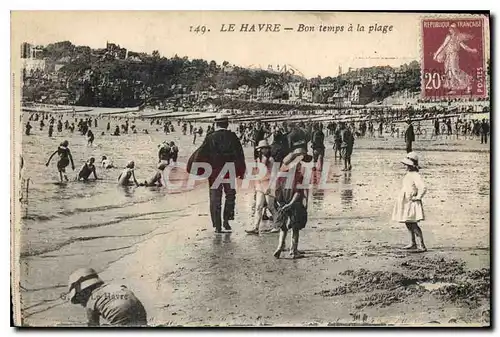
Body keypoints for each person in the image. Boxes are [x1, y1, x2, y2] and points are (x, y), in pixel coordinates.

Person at [187, 114, 246, 233]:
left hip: (214, 172)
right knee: (230, 196)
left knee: (215, 198)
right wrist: (241, 171)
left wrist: (198, 169)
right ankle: (226, 220)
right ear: (227, 123)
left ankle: (217, 225)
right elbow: (240, 155)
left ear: (216, 124)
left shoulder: (210, 137)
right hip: (229, 171)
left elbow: (201, 154)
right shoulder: (233, 136)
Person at [67, 268, 147, 326]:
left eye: (81, 298)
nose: (82, 303)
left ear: (85, 291)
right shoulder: (114, 286)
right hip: (139, 310)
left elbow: (93, 326)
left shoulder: (91, 302)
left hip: (119, 317)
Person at [273, 147, 311, 259]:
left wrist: (281, 204)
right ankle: (293, 251)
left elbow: (276, 189)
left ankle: (279, 247)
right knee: (295, 227)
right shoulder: (298, 174)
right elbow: (298, 192)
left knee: (283, 227)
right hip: (294, 203)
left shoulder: (282, 172)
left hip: (282, 201)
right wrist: (291, 204)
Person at [392, 152, 427, 252]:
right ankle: (413, 243)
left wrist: (418, 197)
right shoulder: (409, 174)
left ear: (411, 165)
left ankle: (422, 245)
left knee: (413, 224)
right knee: (408, 222)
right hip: (406, 201)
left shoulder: (415, 175)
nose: (405, 167)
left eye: (407, 165)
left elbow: (423, 187)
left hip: (412, 202)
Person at [433, 22, 478, 94]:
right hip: (448, 56)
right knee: (449, 72)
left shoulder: (458, 38)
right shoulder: (448, 37)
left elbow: (465, 47)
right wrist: (436, 55)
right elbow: (442, 46)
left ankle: (469, 81)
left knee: (454, 71)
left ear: (456, 29)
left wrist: (472, 50)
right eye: (451, 28)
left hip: (454, 56)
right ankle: (453, 88)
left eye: (454, 28)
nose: (452, 30)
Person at [245, 139, 279, 235]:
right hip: (260, 184)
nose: (263, 150)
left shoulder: (271, 160)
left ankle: (277, 225)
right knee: (258, 206)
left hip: (269, 184)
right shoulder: (258, 159)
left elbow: (274, 174)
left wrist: (271, 186)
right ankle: (256, 227)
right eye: (261, 148)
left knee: (271, 206)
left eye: (264, 148)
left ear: (268, 149)